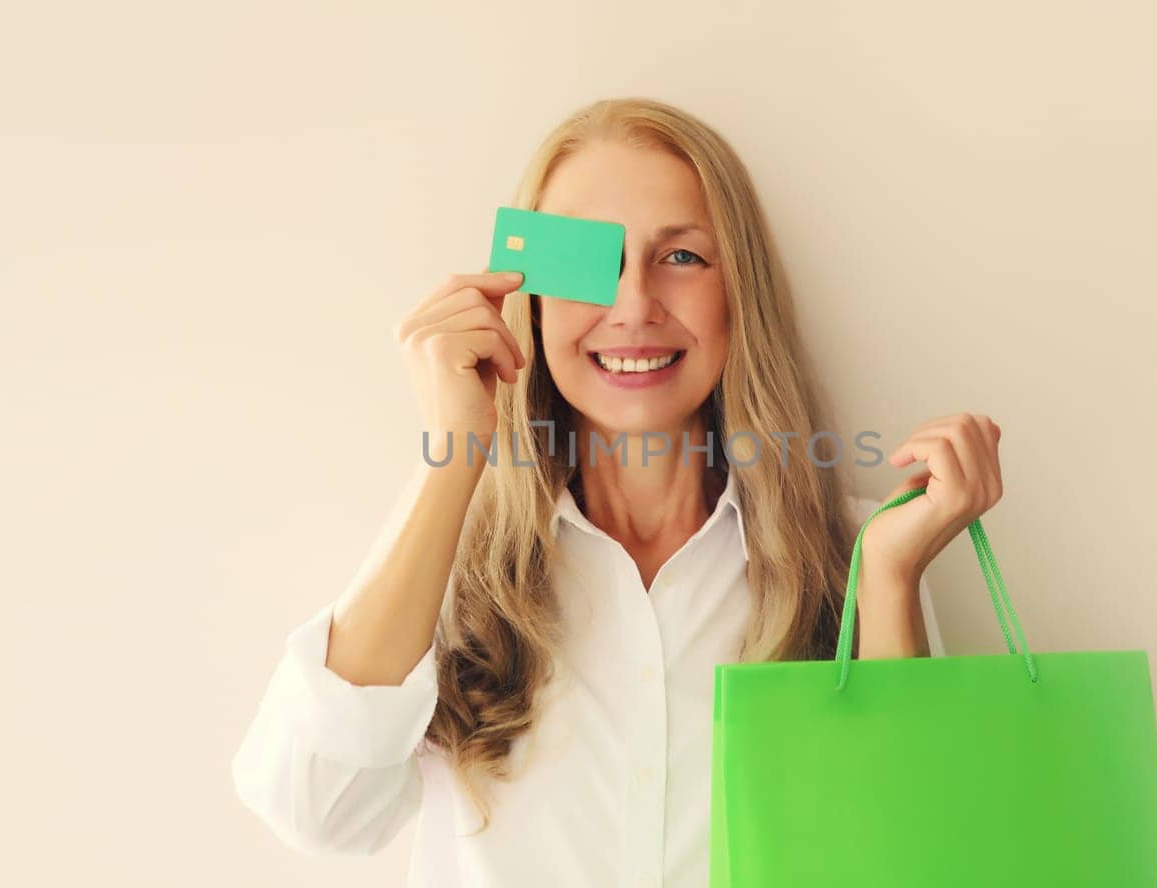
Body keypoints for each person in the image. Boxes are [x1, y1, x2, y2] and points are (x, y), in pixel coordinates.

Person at [230, 96, 1003, 888]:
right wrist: (454, 453)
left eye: (681, 258)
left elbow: (909, 851)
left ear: (741, 294)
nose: (633, 307)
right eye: (593, 263)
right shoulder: (445, 568)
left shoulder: (857, 553)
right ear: (527, 297)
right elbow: (315, 808)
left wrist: (889, 581)